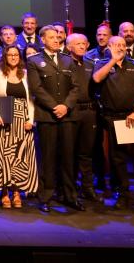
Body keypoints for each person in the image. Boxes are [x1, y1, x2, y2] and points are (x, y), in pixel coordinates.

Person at [93, 36, 134, 213]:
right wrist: (113, 60)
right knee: (118, 161)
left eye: (123, 45)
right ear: (109, 47)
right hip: (114, 118)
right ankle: (123, 196)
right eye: (116, 45)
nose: (121, 47)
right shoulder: (102, 63)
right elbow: (97, 79)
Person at [28, 25, 81, 212]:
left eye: (58, 37)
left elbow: (76, 87)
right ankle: (46, 197)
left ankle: (70, 196)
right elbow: (36, 88)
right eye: (51, 37)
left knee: (68, 158)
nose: (56, 40)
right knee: (48, 158)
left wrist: (65, 106)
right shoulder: (34, 60)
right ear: (42, 39)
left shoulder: (68, 60)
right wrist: (54, 107)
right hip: (47, 116)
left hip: (67, 116)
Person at [0, 45, 37, 208]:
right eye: (10, 54)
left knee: (19, 158)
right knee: (3, 157)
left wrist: (31, 120)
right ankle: (4, 192)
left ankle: (17, 192)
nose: (14, 57)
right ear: (5, 56)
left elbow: (31, 100)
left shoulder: (27, 74)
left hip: (23, 120)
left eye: (16, 55)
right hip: (4, 116)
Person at [66, 33, 101, 201]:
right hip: (71, 112)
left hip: (89, 112)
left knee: (86, 153)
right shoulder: (63, 64)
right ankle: (70, 189)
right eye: (77, 43)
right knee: (69, 152)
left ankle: (88, 188)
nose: (81, 46)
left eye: (84, 43)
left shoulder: (92, 64)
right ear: (68, 47)